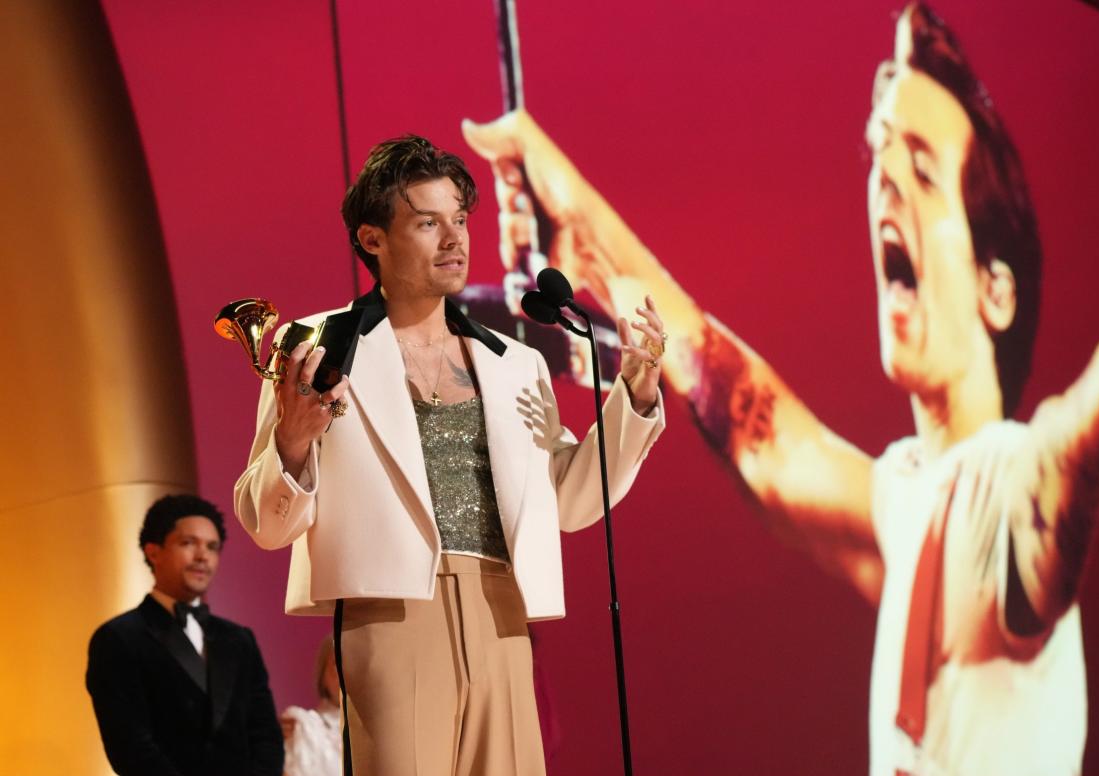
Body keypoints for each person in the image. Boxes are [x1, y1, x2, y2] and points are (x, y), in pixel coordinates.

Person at [459, 3, 1099, 774]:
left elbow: (1076, 456)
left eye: (920, 169)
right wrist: (583, 234)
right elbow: (757, 427)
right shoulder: (909, 495)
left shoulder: (1005, 485)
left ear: (996, 289)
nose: (886, 179)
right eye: (880, 155)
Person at [233, 134, 665, 776]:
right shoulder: (315, 345)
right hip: (390, 613)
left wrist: (633, 393)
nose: (454, 240)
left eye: (459, 220)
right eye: (428, 222)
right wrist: (292, 441)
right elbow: (267, 523)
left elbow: (569, 503)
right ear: (372, 238)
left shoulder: (515, 362)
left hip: (502, 613)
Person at [85, 494, 283, 776]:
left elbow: (265, 735)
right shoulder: (117, 638)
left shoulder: (240, 640)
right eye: (188, 543)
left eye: (212, 547)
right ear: (153, 552)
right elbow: (130, 746)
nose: (203, 556)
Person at [280, 636, 342, 776]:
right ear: (323, 674)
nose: (348, 671)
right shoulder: (301, 726)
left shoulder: (388, 731)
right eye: (337, 663)